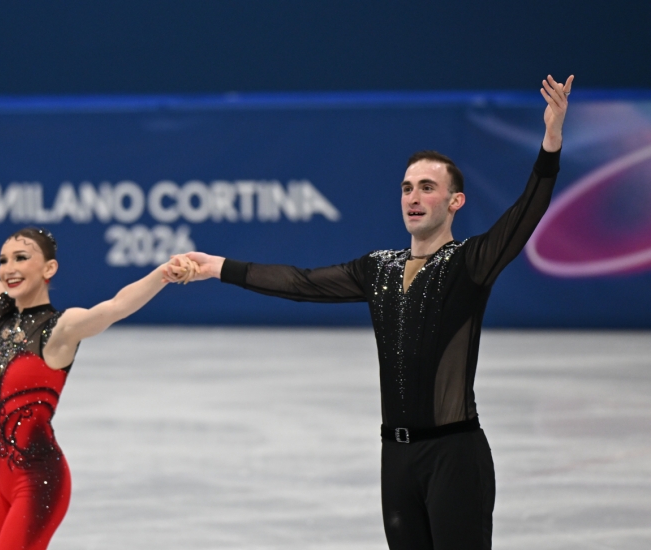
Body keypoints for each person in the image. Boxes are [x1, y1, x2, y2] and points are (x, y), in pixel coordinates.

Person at [174, 75, 574, 550]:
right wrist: (216, 266)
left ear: (455, 202)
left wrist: (550, 141)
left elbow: (525, 213)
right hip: (396, 460)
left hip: (454, 457)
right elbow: (301, 283)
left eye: (427, 187)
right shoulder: (378, 268)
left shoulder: (470, 263)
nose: (413, 197)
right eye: (407, 188)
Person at [0, 120, 195, 550]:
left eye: (21, 258)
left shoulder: (60, 329)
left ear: (48, 269)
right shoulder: (2, 314)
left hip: (38, 479)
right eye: (4, 259)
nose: (8, 268)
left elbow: (116, 306)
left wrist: (163, 274)